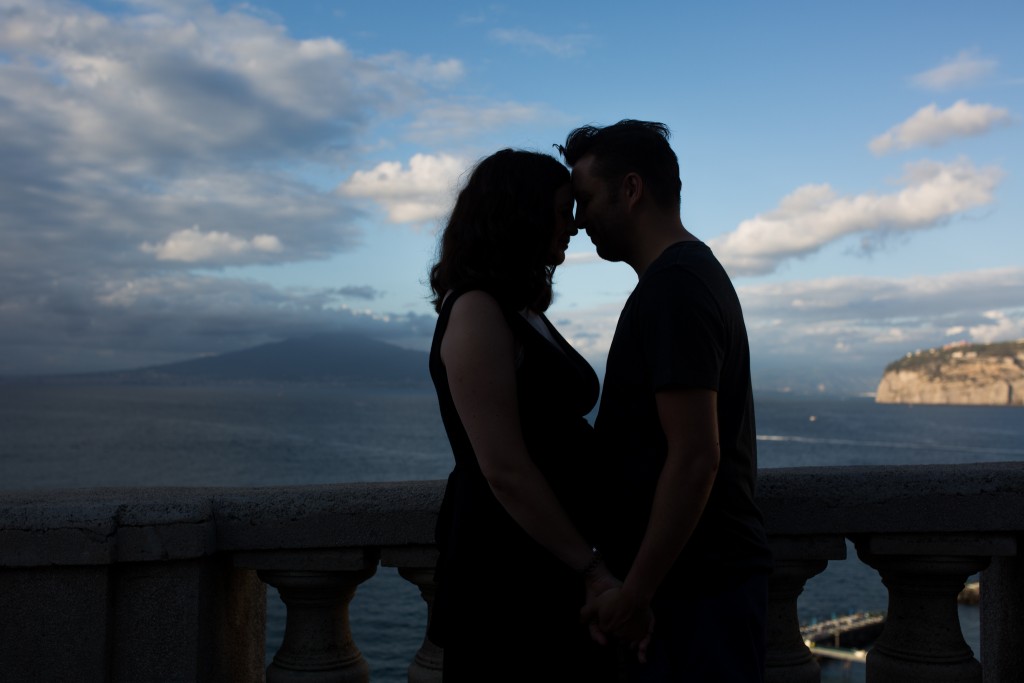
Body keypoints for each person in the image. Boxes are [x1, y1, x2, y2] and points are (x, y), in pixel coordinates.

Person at [560, 120, 774, 682]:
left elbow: (695, 456)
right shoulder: (686, 277)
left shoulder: (676, 288)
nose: (578, 222)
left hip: (695, 597)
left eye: (584, 200)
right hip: (698, 590)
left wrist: (637, 592)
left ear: (630, 190)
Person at [426, 148, 623, 682]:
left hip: (544, 558)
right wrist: (591, 566)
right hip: (507, 569)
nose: (575, 227)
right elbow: (505, 470)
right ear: (522, 214)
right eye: (563, 212)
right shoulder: (476, 311)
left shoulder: (519, 308)